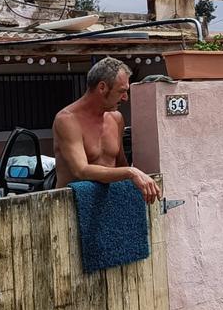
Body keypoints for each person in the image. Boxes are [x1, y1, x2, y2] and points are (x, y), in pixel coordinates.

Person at [53, 57, 162, 202]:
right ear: (102, 87)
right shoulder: (67, 120)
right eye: (121, 91)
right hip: (71, 207)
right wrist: (131, 172)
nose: (125, 98)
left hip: (108, 205)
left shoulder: (116, 118)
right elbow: (81, 170)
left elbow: (120, 162)